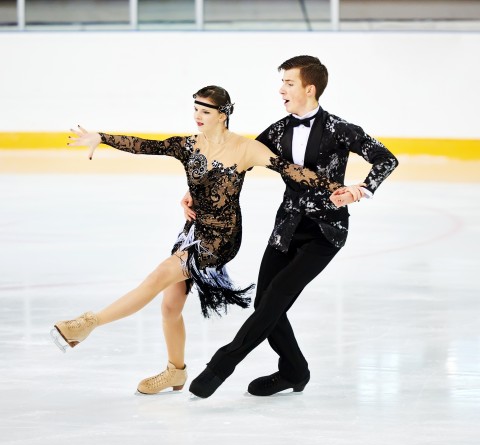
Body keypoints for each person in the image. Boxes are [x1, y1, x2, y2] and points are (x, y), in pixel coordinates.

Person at [50, 84, 362, 395]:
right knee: (170, 307)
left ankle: (88, 323)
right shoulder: (188, 146)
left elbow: (291, 170)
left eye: (206, 111)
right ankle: (175, 372)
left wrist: (337, 188)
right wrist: (102, 138)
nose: (198, 116)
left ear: (223, 115)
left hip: (221, 240)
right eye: (196, 109)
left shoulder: (245, 149)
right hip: (194, 232)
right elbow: (146, 145)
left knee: (157, 276)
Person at [187, 56, 399, 398]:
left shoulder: (340, 129)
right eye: (281, 82)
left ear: (309, 89)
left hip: (325, 232)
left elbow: (386, 159)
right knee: (265, 304)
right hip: (286, 227)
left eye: (288, 83)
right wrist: (194, 191)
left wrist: (360, 190)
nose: (281, 89)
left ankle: (220, 366)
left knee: (275, 299)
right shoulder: (278, 130)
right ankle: (295, 370)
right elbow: (235, 160)